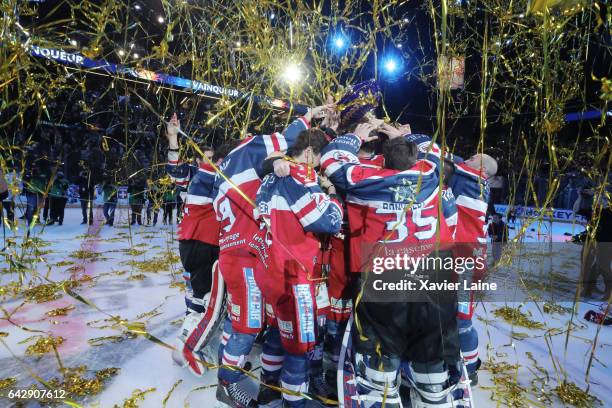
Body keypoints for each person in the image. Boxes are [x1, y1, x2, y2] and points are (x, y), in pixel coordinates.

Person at [321, 123, 458, 406]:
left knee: (381, 364)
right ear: (413, 156)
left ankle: (382, 393)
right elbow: (434, 150)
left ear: (383, 160)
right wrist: (405, 135)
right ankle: (433, 396)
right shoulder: (430, 174)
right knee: (431, 364)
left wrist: (355, 136)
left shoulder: (366, 180)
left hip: (385, 282)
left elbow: (331, 161)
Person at [213, 105, 329, 407]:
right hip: (245, 256)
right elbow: (288, 141)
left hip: (244, 254)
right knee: (248, 326)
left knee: (263, 324)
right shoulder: (252, 148)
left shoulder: (222, 172)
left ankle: (256, 378)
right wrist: (307, 120)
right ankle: (226, 383)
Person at [250, 129, 343, 407]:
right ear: (310, 153)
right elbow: (328, 221)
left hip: (270, 269)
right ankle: (294, 402)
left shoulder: (269, 177)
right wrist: (332, 193)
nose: (321, 167)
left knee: (278, 334)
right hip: (294, 275)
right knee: (299, 349)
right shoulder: (299, 177)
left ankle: (268, 389)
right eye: (320, 159)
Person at [165, 113, 239, 377]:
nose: (206, 159)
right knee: (203, 299)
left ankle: (196, 342)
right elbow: (174, 170)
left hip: (197, 243)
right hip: (200, 243)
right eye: (203, 156)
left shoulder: (211, 174)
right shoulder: (202, 175)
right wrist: (173, 138)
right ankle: (187, 344)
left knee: (199, 296)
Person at [449, 149, 498, 385]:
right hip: (463, 260)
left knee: (461, 318)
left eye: (472, 158)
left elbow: (448, 160)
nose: (466, 159)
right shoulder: (476, 181)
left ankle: (470, 367)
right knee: (454, 314)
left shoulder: (471, 178)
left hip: (465, 264)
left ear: (482, 169)